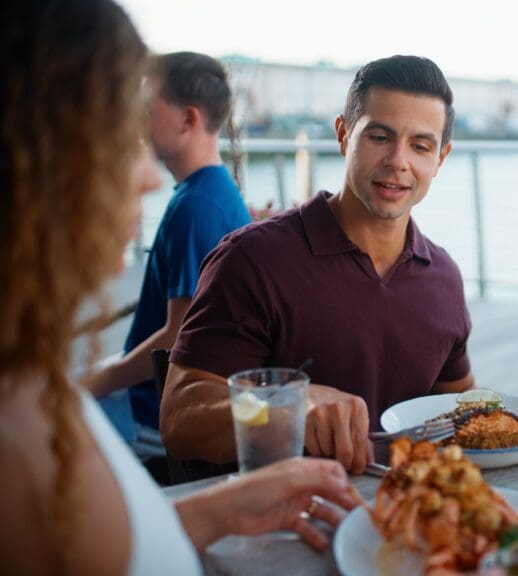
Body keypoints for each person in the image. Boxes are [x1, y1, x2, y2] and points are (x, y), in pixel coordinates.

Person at [0, 2, 357, 573]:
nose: (144, 175)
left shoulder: (30, 397)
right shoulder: (17, 450)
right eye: (119, 131)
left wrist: (220, 508)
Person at [162, 55, 475, 474]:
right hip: (277, 520)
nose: (399, 161)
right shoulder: (252, 259)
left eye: (421, 146)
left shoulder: (444, 278)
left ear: (441, 158)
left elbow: (459, 411)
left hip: (402, 520)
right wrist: (290, 408)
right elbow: (180, 420)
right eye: (380, 137)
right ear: (344, 134)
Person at [90, 51, 252, 449]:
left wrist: (95, 381)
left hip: (149, 412)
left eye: (146, 107)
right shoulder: (213, 195)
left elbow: (178, 334)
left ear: (189, 119)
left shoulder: (197, 208)